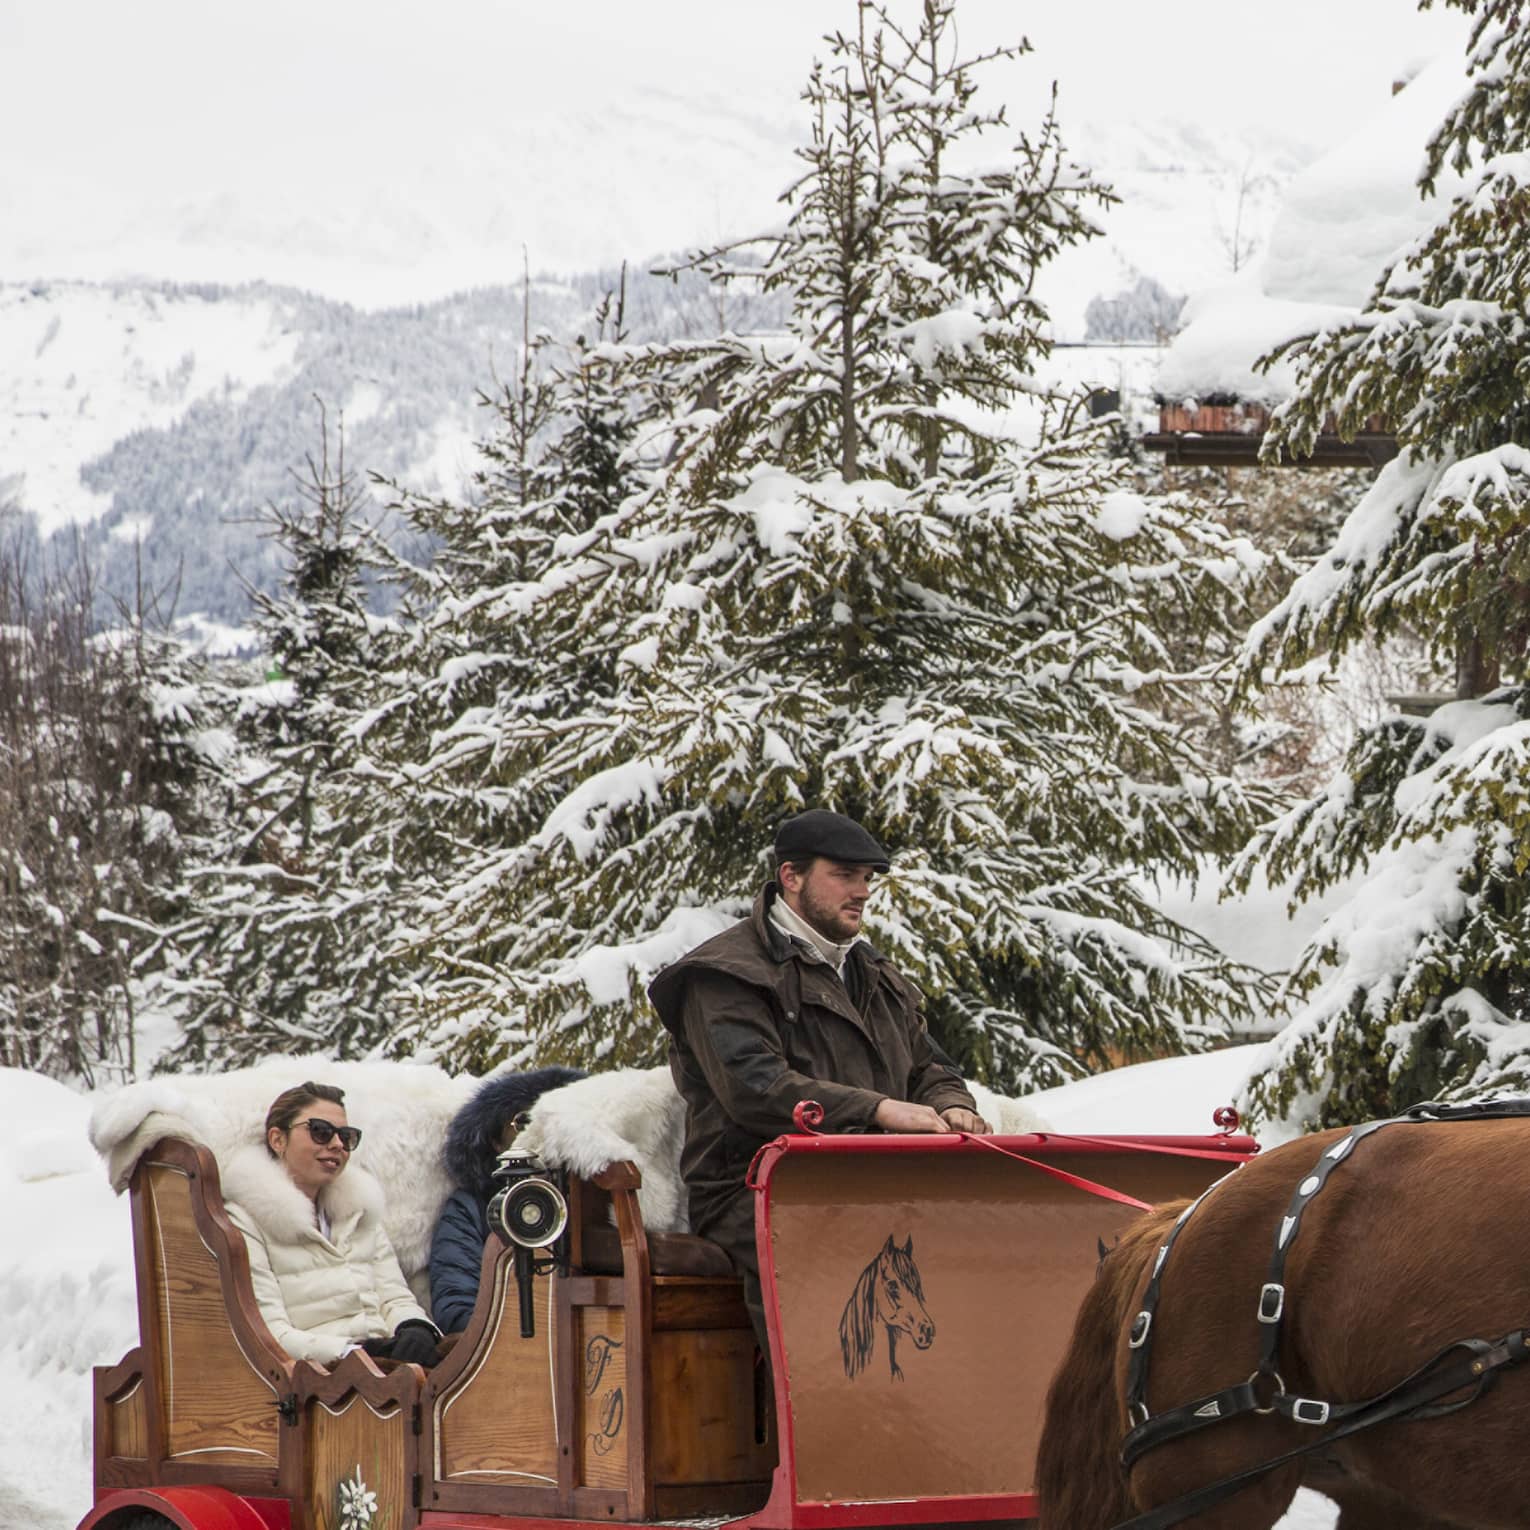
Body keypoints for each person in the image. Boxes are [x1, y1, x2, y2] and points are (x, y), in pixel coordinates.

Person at [648, 808, 989, 1356]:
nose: (863, 892)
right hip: (760, 1188)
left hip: (871, 1181)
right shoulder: (723, 974)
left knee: (980, 1249)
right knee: (839, 1261)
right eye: (845, 875)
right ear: (791, 877)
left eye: (868, 879)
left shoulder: (876, 976)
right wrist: (878, 1110)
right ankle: (817, 1434)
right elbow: (756, 1088)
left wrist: (952, 1107)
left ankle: (943, 1424)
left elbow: (930, 1068)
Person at [222, 1081, 442, 1369]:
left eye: (347, 1136)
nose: (337, 1144)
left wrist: (415, 1327)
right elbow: (269, 1333)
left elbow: (394, 1298)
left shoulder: (359, 1211)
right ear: (278, 1140)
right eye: (320, 1131)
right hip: (316, 1382)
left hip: (385, 1366)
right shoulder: (244, 1221)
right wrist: (351, 1353)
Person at [429, 1065, 585, 1334]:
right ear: (495, 1141)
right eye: (525, 1122)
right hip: (510, 1350)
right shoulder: (472, 1207)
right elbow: (456, 1307)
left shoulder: (599, 1201)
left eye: (552, 1120)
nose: (540, 1132)